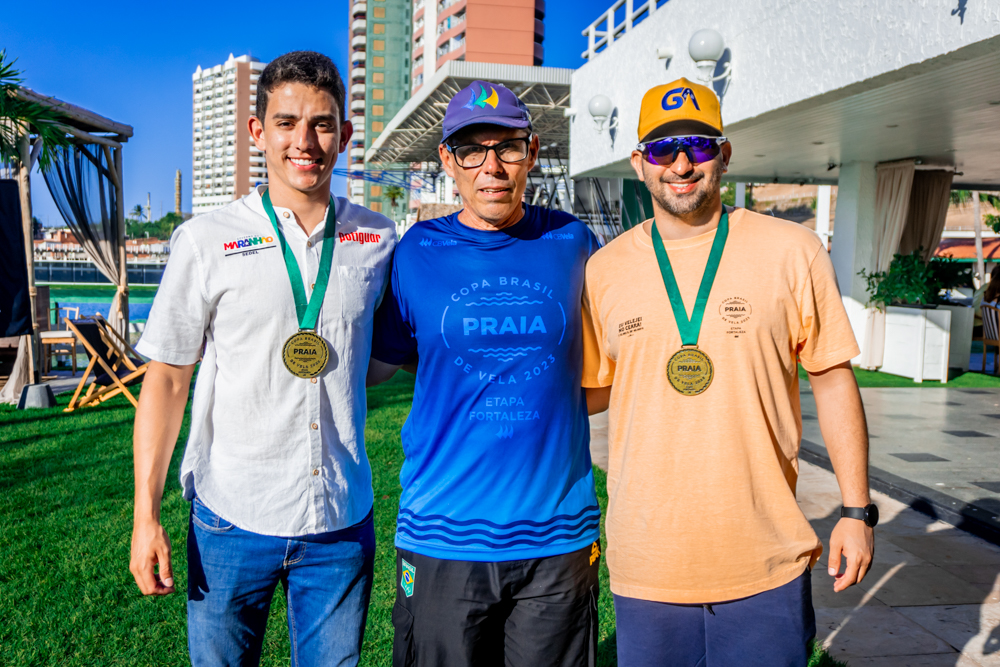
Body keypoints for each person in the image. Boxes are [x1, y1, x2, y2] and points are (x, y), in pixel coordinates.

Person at [581, 78, 877, 667]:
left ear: (724, 154)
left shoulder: (793, 250)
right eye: (663, 149)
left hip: (765, 556)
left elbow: (832, 378)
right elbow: (589, 394)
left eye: (698, 145)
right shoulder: (604, 269)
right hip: (648, 561)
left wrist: (855, 510)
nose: (681, 164)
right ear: (639, 163)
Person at [129, 51, 396, 666]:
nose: (304, 141)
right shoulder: (206, 239)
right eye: (286, 122)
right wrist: (146, 515)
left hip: (339, 520)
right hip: (231, 518)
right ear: (257, 131)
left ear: (344, 135)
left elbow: (376, 359)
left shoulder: (377, 239)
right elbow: (167, 380)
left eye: (322, 124)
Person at [367, 80, 602, 667]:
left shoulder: (573, 242)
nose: (491, 167)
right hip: (443, 532)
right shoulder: (417, 250)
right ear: (448, 160)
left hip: (557, 534)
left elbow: (611, 362)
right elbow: (379, 364)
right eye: (472, 150)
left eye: (508, 148)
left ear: (532, 152)